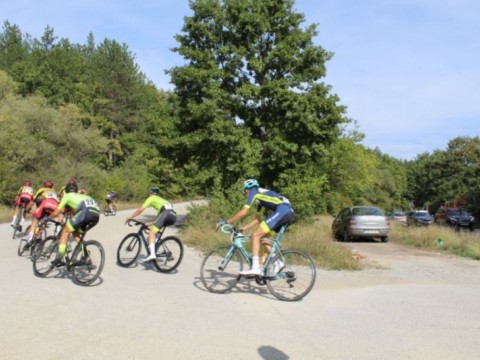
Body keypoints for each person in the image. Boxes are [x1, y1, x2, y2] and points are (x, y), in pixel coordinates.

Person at [216, 179, 295, 275]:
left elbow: (244, 212)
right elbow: (257, 219)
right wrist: (242, 228)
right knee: (263, 238)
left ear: (247, 189)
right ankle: (278, 263)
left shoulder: (254, 192)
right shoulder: (261, 201)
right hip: (287, 213)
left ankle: (255, 267)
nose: (245, 192)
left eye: (245, 190)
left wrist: (225, 222)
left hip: (283, 210)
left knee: (255, 235)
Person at [47, 182, 100, 267]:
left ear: (67, 190)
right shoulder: (85, 196)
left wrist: (47, 218)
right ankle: (85, 255)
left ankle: (59, 258)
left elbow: (57, 212)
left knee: (65, 231)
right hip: (96, 215)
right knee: (76, 233)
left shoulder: (67, 196)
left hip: (85, 212)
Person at [126, 187, 176, 262]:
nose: (148, 194)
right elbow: (159, 219)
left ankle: (152, 255)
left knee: (151, 233)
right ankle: (156, 251)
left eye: (149, 192)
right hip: (173, 216)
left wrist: (131, 217)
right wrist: (149, 224)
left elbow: (140, 210)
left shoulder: (151, 198)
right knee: (153, 235)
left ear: (151, 193)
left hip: (165, 214)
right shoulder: (161, 201)